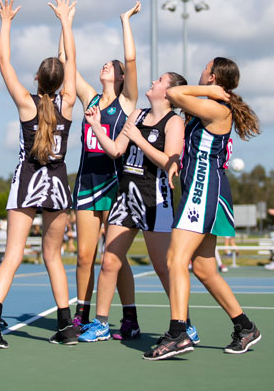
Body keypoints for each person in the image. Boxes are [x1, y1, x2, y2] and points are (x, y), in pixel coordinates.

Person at [143, 57, 262, 360]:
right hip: (202, 190)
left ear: (211, 76)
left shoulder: (216, 107)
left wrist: (212, 91)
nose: (201, 70)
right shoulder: (209, 105)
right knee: (205, 269)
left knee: (175, 258)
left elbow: (174, 95)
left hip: (203, 189)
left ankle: (178, 331)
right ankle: (245, 327)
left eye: (205, 69)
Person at [0, 0, 77, 349]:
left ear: (36, 77)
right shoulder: (68, 103)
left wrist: (5, 22)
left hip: (28, 180)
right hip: (57, 183)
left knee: (13, 255)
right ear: (62, 81)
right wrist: (66, 23)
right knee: (53, 256)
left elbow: (4, 61)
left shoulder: (26, 104)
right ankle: (66, 326)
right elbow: (72, 61)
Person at [78, 72, 198, 344]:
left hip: (154, 200)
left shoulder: (174, 122)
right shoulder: (138, 116)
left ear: (168, 92)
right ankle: (101, 324)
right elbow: (116, 150)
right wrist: (96, 126)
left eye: (159, 80)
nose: (153, 81)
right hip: (126, 196)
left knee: (163, 268)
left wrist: (141, 141)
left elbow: (170, 163)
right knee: (109, 260)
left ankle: (185, 323)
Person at [59, 2, 141, 339]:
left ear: (120, 78)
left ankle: (129, 318)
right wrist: (66, 23)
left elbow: (132, 60)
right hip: (87, 184)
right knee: (84, 257)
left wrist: (125, 22)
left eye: (113, 65)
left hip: (116, 185)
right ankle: (82, 315)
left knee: (114, 257)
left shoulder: (127, 102)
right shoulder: (90, 99)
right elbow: (67, 63)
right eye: (105, 64)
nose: (107, 65)